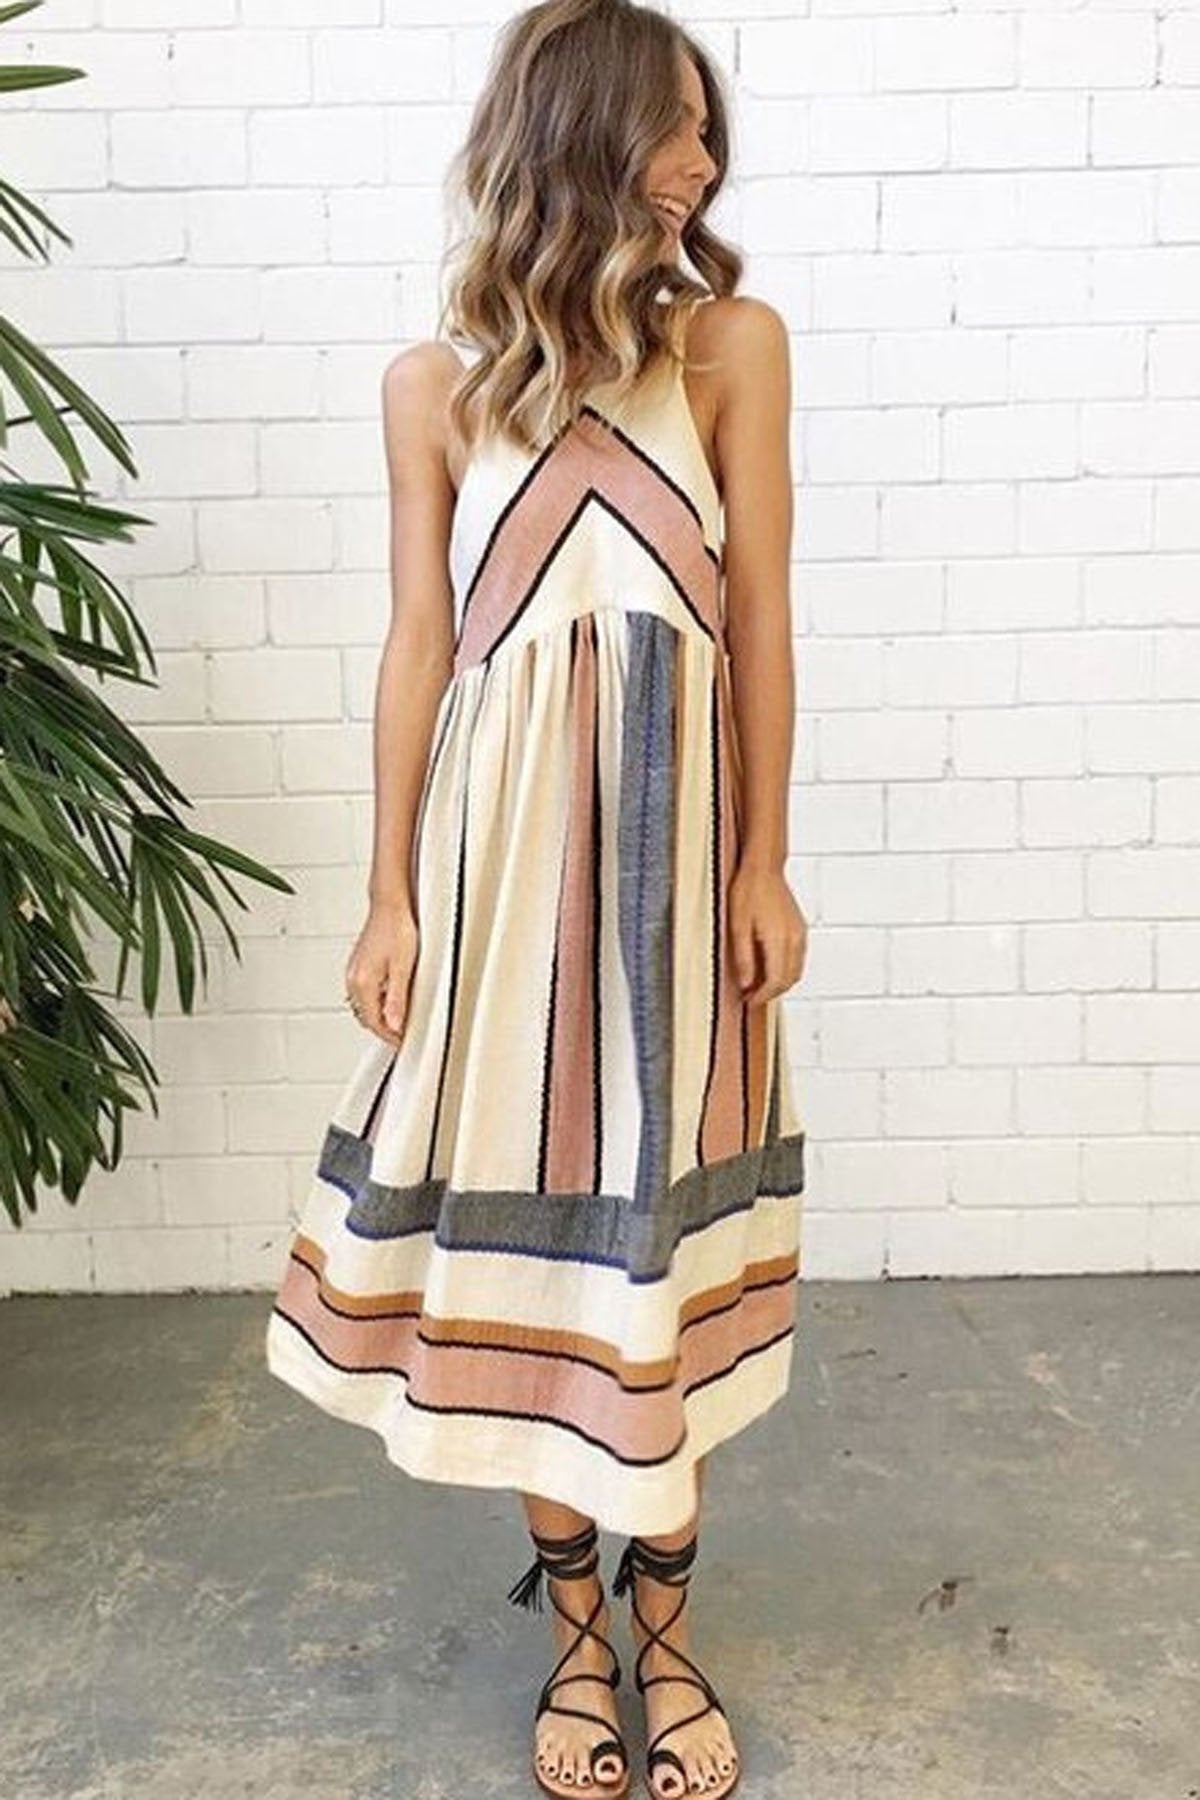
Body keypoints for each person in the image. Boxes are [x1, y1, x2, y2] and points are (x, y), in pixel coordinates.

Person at [265, 3, 808, 1795]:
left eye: (708, 131)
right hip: (496, 888)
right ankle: (582, 1636)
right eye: (672, 128)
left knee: (656, 1249)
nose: (703, 163)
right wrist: (386, 898)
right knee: (539, 1256)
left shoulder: (729, 349)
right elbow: (419, 647)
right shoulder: (434, 386)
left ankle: (670, 1629)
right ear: (577, 135)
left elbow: (761, 621)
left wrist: (763, 859)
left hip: (674, 883)